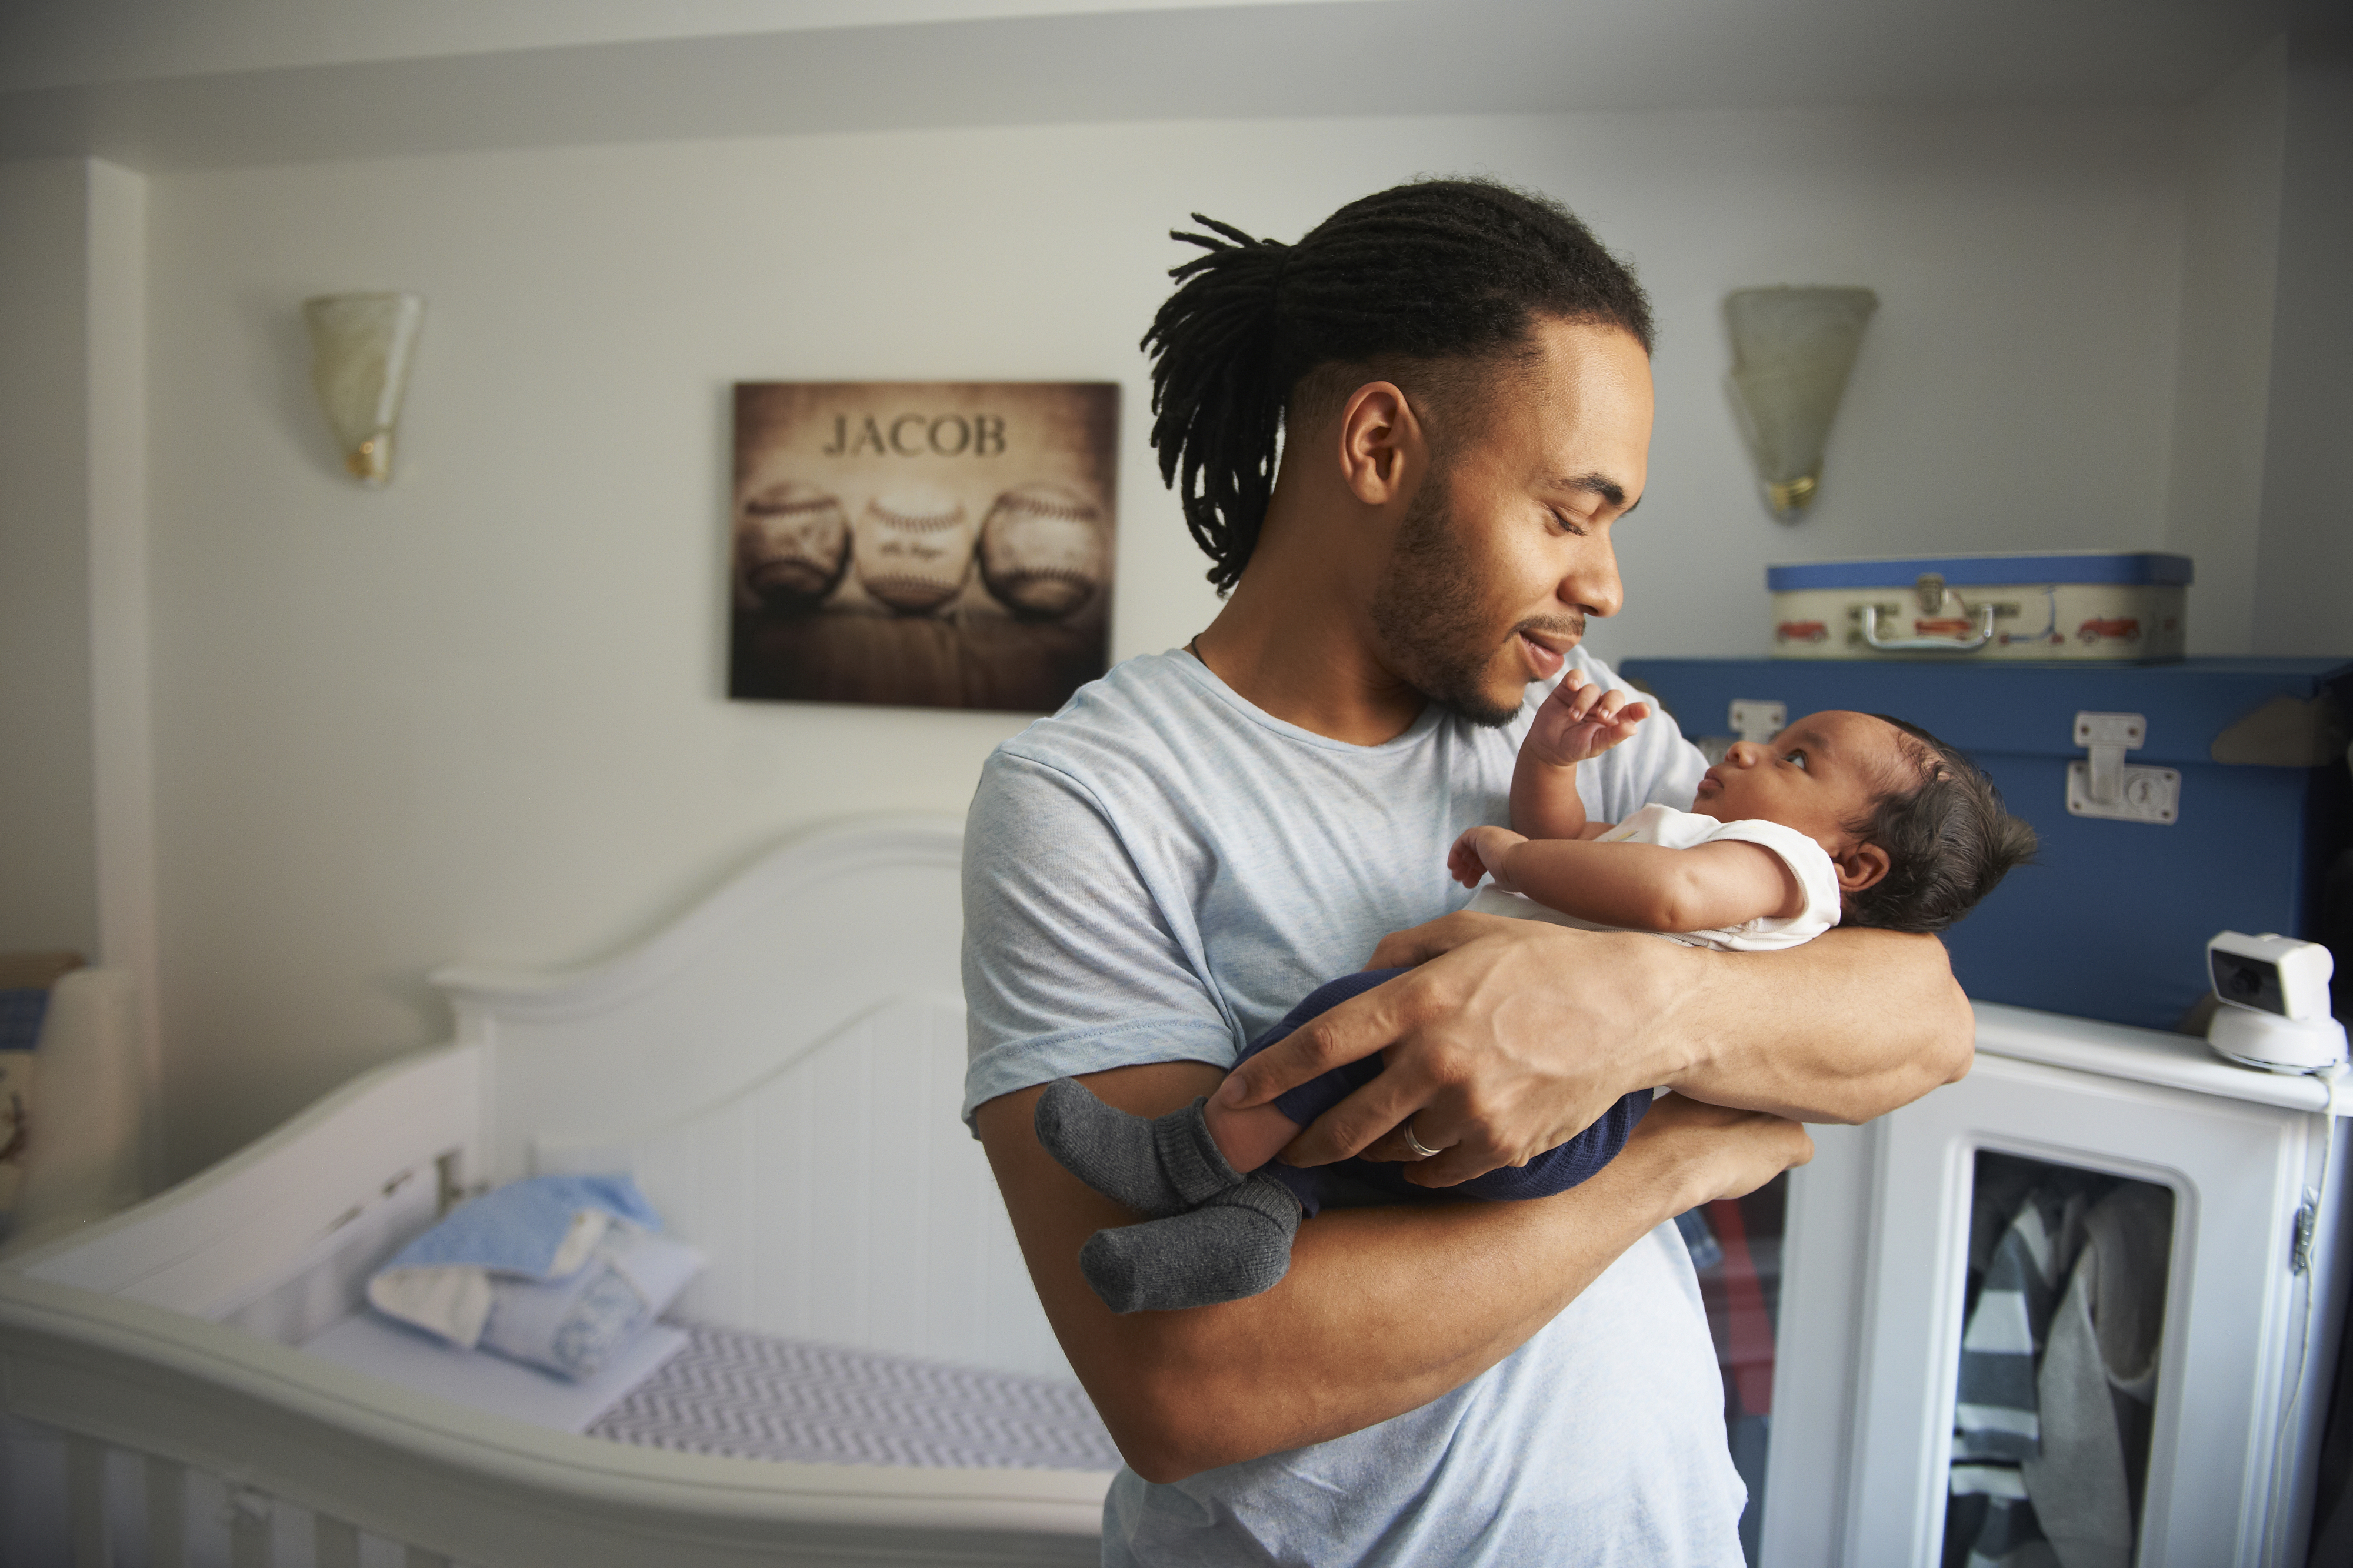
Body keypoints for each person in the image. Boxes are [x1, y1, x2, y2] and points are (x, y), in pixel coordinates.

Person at [962, 178, 1974, 1566]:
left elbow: (1920, 1017)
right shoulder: (1093, 797)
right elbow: (1186, 1386)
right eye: (1569, 513)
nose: (1605, 582)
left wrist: (1626, 1015)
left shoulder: (1588, 730)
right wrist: (1661, 1161)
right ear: (1378, 444)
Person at [1029, 675, 2037, 1314]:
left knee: (1348, 1015)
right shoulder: (1698, 822)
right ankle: (1260, 1218)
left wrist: (1514, 856)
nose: (1743, 750)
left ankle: (1189, 1152)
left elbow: (1667, 893)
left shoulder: (1775, 865)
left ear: (1852, 864)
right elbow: (1581, 848)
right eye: (1564, 513)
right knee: (1363, 1129)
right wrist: (1550, 765)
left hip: (1569, 1117)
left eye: (1796, 758)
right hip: (1536, 1133)